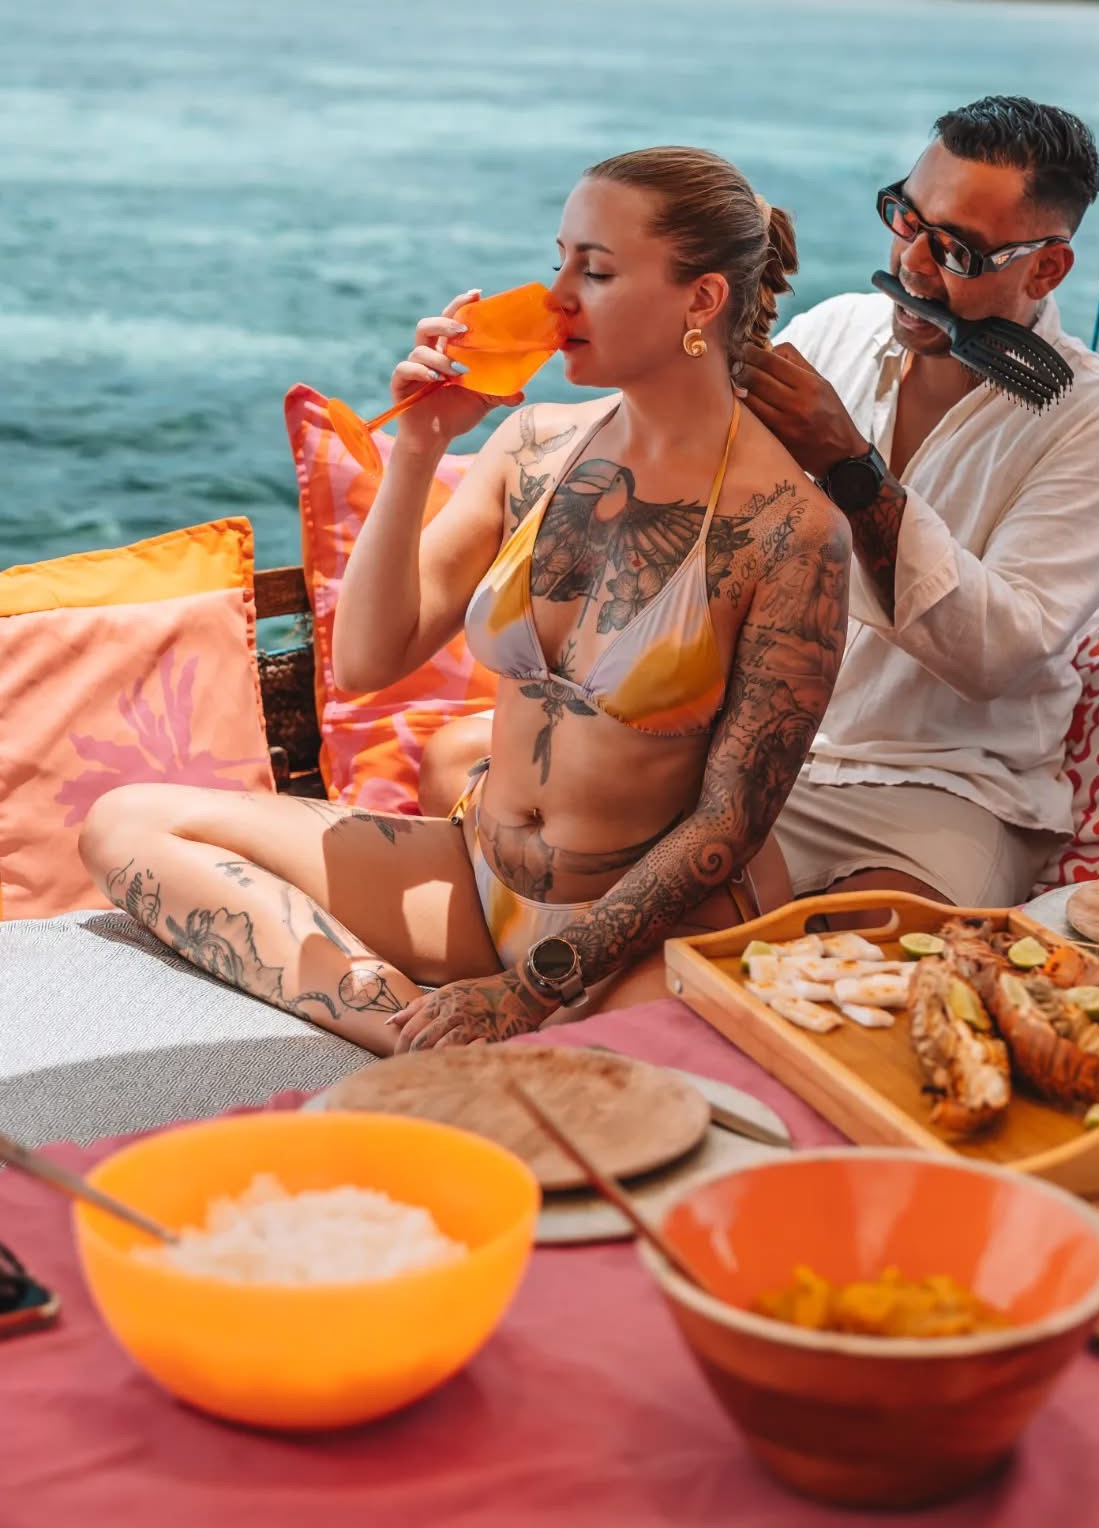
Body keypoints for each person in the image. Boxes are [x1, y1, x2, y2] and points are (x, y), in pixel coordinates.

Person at [80, 147, 850, 1053]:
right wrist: (418, 445)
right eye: (560, 256)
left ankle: (474, 1043)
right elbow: (370, 660)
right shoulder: (531, 448)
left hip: (647, 931)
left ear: (701, 301)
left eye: (595, 270)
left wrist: (526, 993)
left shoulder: (790, 532)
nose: (556, 293)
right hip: (483, 880)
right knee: (126, 824)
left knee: (618, 1077)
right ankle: (406, 1029)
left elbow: (728, 827)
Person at [729, 95, 1099, 907]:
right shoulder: (833, 335)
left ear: (1046, 268)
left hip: (947, 792)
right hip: (763, 752)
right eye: (906, 220)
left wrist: (852, 470)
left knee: (873, 967)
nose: (915, 267)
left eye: (957, 249)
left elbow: (998, 653)